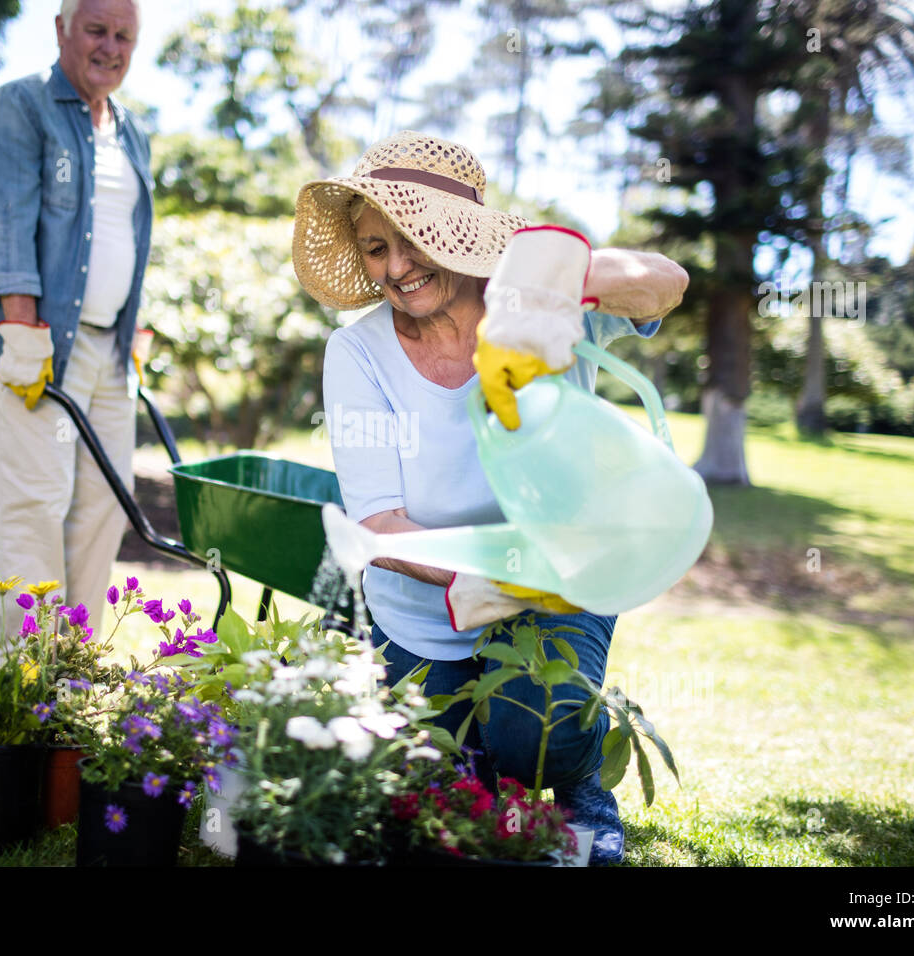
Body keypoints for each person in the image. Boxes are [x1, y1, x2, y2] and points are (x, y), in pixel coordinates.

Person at [292, 130, 688, 864]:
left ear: (459, 235)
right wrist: (483, 574)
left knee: (532, 733)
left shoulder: (536, 304)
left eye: (412, 239)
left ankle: (575, 791)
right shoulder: (357, 353)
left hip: (559, 586)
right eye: (376, 249)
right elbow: (378, 519)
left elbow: (666, 281)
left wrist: (566, 283)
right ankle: (501, 777)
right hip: (419, 612)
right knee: (434, 793)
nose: (398, 267)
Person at [0, 0, 151, 651]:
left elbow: (122, 240)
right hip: (38, 343)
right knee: (35, 501)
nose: (110, 47)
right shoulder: (22, 106)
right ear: (61, 30)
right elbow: (5, 222)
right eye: (96, 30)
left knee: (106, 501)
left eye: (123, 36)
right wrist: (20, 330)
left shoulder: (132, 133)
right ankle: (23, 672)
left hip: (107, 350)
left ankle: (68, 663)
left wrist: (133, 330)